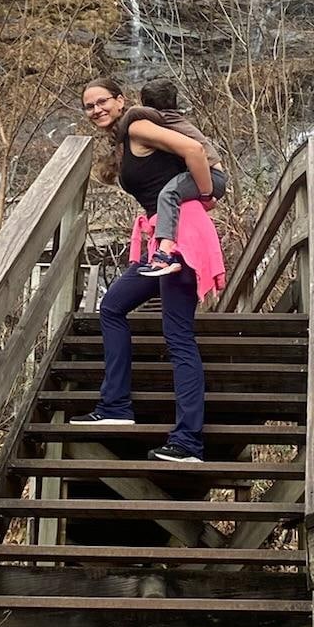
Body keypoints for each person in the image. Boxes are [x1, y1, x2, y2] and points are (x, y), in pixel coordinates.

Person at [76, 75, 227, 464]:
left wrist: (206, 192)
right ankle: (115, 407)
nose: (96, 110)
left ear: (120, 100)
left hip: (181, 237)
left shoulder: (138, 125)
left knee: (177, 336)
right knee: (112, 306)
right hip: (161, 240)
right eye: (89, 106)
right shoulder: (125, 141)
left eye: (102, 102)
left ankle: (188, 443)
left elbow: (194, 148)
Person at [125, 79, 227, 277]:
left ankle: (165, 253)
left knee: (169, 194)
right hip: (211, 175)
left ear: (145, 103)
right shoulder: (173, 118)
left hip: (212, 176)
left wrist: (205, 196)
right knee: (171, 194)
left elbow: (132, 115)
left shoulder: (159, 120)